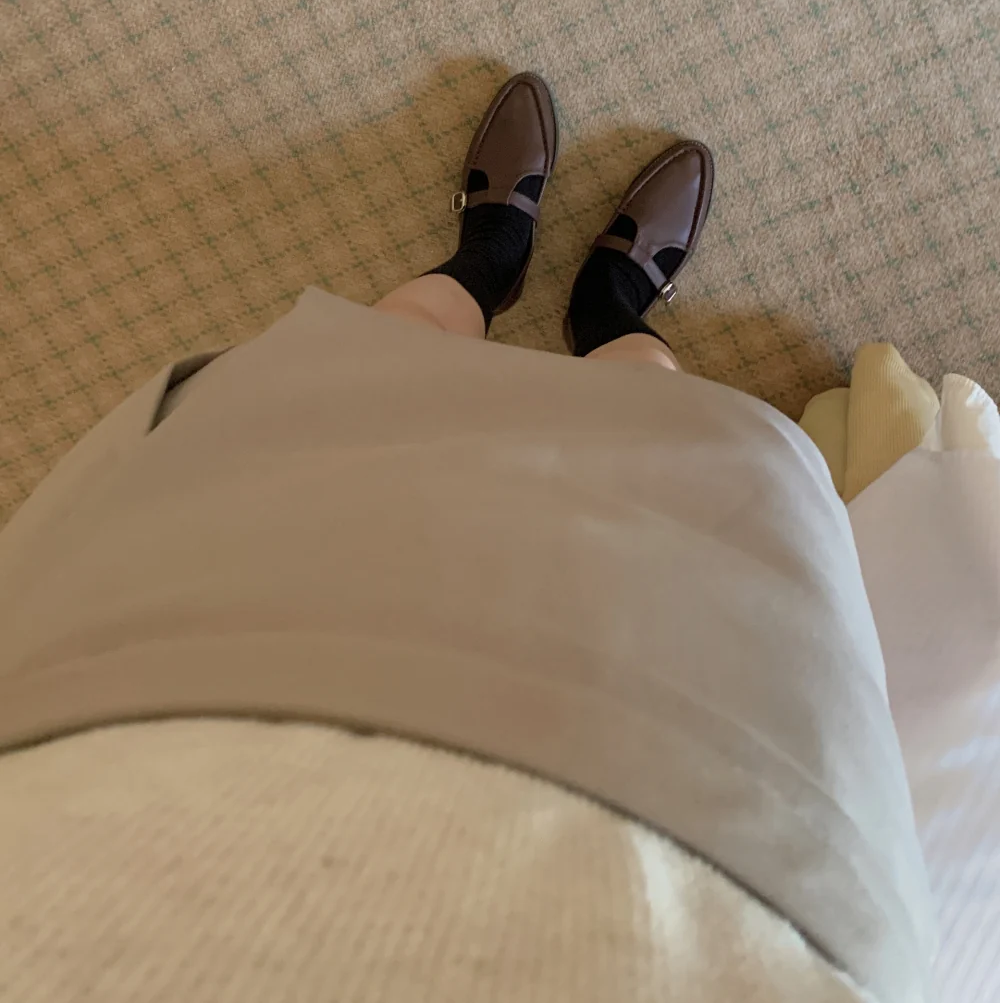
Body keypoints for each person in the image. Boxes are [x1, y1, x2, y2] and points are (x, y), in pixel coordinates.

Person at [0, 74, 931, 1003]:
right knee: (673, 447)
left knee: (357, 378)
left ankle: (487, 263)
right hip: (730, 860)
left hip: (117, 745)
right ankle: (609, 311)